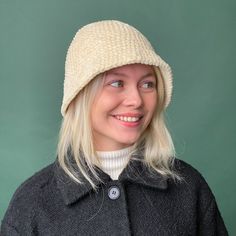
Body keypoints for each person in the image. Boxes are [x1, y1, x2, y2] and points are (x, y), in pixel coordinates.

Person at [0, 20, 228, 235]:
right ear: (81, 95)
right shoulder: (31, 204)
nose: (137, 100)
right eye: (117, 83)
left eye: (147, 84)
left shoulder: (188, 188)